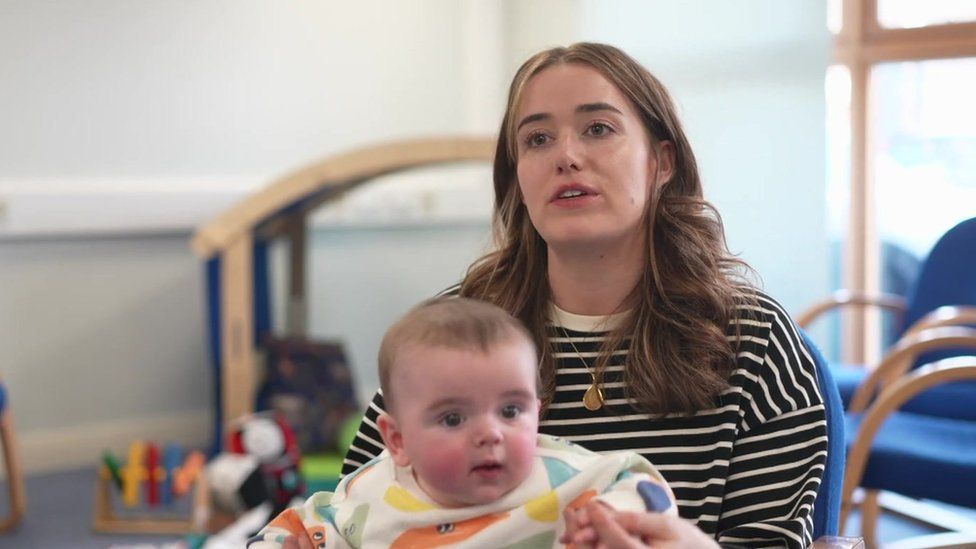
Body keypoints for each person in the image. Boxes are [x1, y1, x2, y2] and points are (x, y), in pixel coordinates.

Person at [343, 42, 827, 549]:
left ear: (661, 162)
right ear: (518, 182)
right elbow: (350, 518)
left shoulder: (751, 339)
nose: (566, 157)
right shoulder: (455, 333)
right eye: (537, 139)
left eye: (598, 129)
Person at [248, 298, 677, 548]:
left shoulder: (566, 477)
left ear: (538, 413)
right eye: (453, 418)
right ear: (397, 440)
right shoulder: (369, 496)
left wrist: (614, 517)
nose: (491, 433)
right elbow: (295, 528)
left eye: (511, 411)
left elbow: (639, 479)